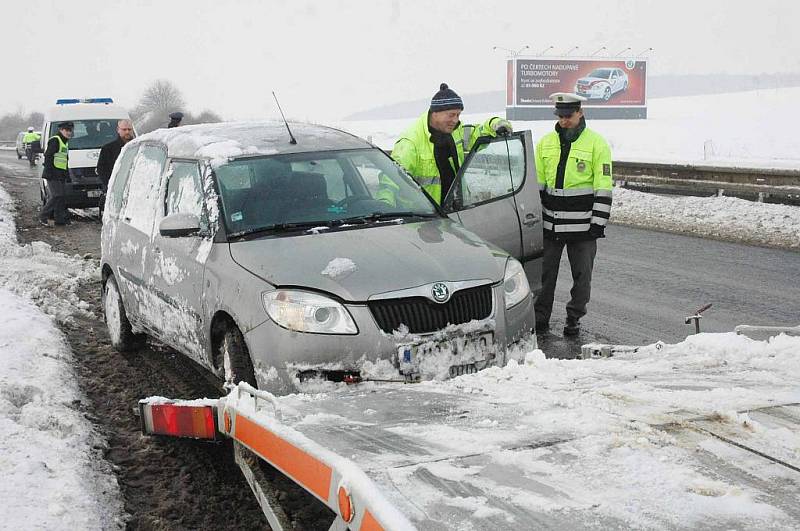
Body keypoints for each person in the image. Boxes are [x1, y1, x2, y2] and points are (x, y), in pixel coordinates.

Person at [533, 93, 612, 336]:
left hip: (583, 228)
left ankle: (574, 318)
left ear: (580, 112)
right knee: (545, 277)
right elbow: (537, 185)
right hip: (551, 224)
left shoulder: (597, 144)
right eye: (560, 116)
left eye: (568, 115)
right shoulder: (545, 142)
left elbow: (603, 186)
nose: (564, 120)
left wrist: (597, 224)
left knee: (582, 278)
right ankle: (540, 318)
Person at [386, 83, 512, 206]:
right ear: (435, 113)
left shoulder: (455, 131)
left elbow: (478, 133)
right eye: (451, 115)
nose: (455, 120)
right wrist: (385, 208)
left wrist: (495, 124)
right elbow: (390, 181)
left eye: (458, 115)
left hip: (455, 211)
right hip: (423, 217)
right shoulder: (410, 142)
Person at [96, 119, 135, 215]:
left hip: (135, 188)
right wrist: (110, 185)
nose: (127, 132)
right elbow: (101, 169)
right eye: (124, 129)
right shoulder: (108, 149)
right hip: (116, 189)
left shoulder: (140, 146)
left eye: (129, 129)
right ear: (118, 130)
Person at [39, 121, 74, 226]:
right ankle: (43, 216)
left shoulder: (65, 141)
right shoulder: (55, 140)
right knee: (56, 195)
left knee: (62, 196)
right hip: (52, 174)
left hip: (61, 174)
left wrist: (67, 175)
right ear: (61, 130)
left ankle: (60, 219)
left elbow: (64, 159)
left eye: (70, 131)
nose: (69, 133)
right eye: (67, 130)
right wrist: (49, 172)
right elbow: (48, 156)